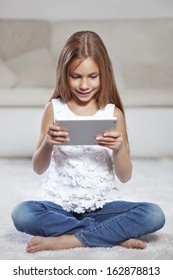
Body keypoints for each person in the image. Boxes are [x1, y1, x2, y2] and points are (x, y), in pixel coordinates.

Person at [11, 31, 165, 253]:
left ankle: (70, 239)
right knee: (22, 213)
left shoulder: (113, 113)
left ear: (105, 74)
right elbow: (38, 168)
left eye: (93, 76)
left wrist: (119, 148)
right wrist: (48, 143)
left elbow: (125, 176)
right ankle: (110, 235)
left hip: (102, 205)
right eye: (76, 76)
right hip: (59, 206)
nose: (84, 85)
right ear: (64, 74)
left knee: (153, 214)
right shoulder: (54, 108)